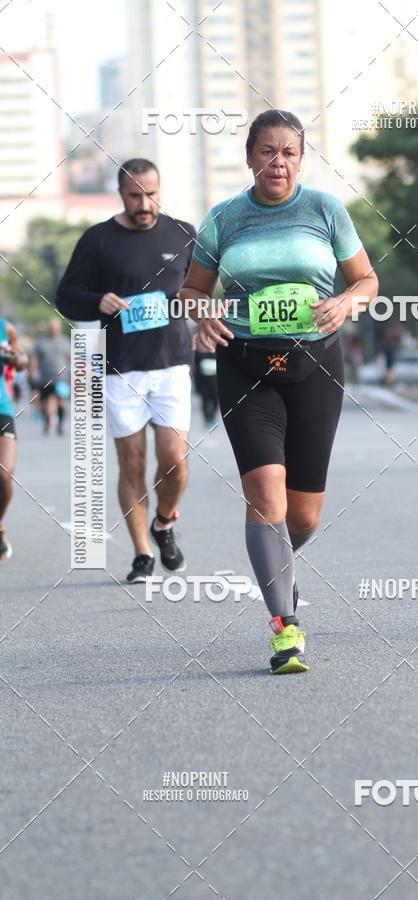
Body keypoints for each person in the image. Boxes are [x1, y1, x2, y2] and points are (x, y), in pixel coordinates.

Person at [180, 109, 379, 673]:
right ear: (249, 157)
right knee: (265, 493)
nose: (278, 162)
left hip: (315, 366)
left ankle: (277, 566)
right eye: (267, 151)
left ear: (300, 158)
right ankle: (283, 627)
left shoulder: (324, 209)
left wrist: (346, 301)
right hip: (245, 367)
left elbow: (366, 279)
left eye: (289, 152)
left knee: (304, 517)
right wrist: (203, 315)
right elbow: (193, 289)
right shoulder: (224, 218)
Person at [56, 158, 195, 583]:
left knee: (174, 461)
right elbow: (66, 296)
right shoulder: (97, 240)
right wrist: (97, 301)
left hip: (171, 363)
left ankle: (164, 523)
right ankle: (141, 554)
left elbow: (201, 292)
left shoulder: (184, 234)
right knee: (131, 464)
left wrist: (201, 313)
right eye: (135, 195)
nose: (144, 203)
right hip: (120, 370)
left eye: (151, 194)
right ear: (121, 194)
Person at [0, 315, 28, 560]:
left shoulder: (5, 326)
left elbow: (23, 361)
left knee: (4, 473)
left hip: (1, 407)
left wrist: (14, 358)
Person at [30, 318, 71, 435]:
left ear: (59, 328)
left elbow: (71, 359)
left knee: (61, 401)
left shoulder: (65, 342)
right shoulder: (41, 342)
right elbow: (34, 359)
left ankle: (60, 425)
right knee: (44, 402)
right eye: (51, 327)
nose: (53, 329)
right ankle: (47, 421)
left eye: (55, 327)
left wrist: (74, 374)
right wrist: (33, 372)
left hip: (61, 378)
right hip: (45, 378)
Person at [192, 349, 218, 428]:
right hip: (204, 385)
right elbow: (196, 372)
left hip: (215, 385)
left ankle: (212, 417)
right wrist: (197, 386)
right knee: (205, 401)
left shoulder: (217, 354)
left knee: (215, 401)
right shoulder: (199, 355)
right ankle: (207, 419)